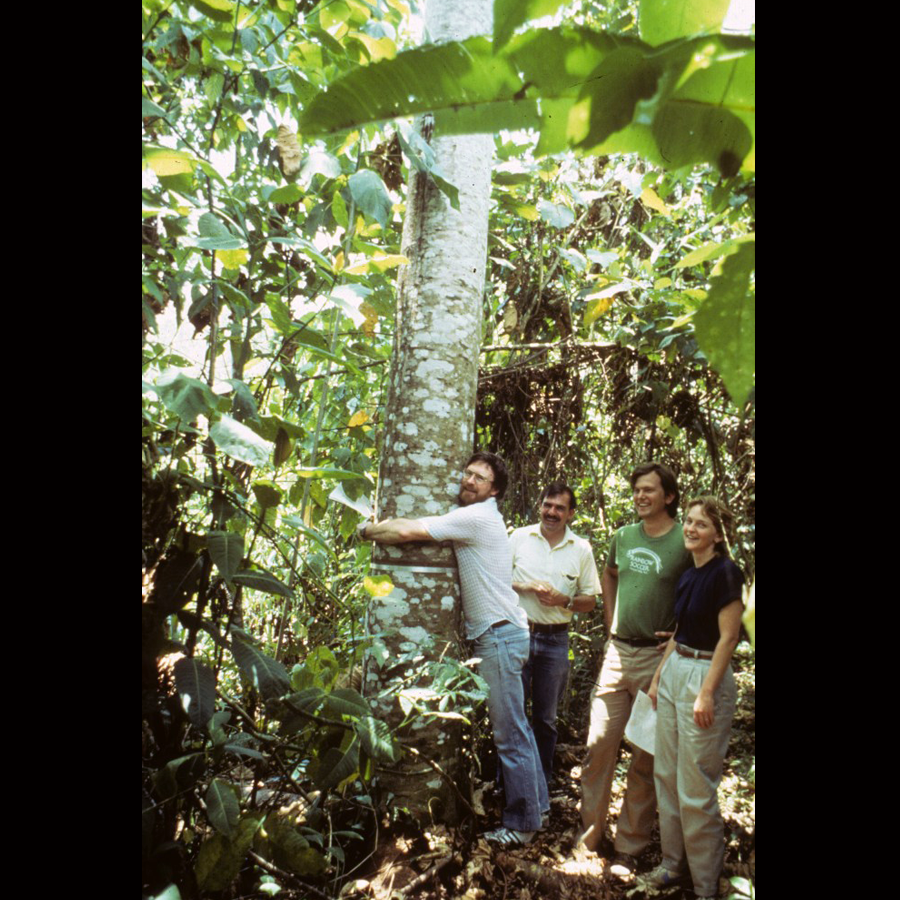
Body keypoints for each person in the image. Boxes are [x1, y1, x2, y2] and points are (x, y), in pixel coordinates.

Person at [360, 451, 547, 847]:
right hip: (504, 633)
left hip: (498, 636)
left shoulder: (477, 517)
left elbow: (407, 531)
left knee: (509, 733)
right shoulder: (483, 516)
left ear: (494, 490)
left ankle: (524, 825)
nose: (469, 481)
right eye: (468, 473)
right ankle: (538, 808)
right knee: (519, 729)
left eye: (480, 478)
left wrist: (367, 531)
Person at [579, 462, 691, 873]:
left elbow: (706, 586)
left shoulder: (685, 539)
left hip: (658, 660)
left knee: (645, 758)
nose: (641, 497)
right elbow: (610, 574)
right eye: (637, 490)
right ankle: (589, 837)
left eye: (649, 490)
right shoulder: (624, 536)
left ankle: (630, 845)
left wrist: (681, 633)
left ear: (669, 496)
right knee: (598, 746)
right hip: (617, 654)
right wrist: (611, 618)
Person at [644, 497, 744, 900]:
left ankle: (705, 886)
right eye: (688, 521)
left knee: (695, 784)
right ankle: (672, 865)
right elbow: (681, 631)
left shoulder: (727, 573)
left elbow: (729, 638)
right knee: (666, 775)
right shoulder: (689, 575)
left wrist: (705, 694)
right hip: (675, 670)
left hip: (706, 676)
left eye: (701, 524)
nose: (690, 528)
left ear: (717, 535)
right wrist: (656, 679)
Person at [510, 482, 600, 791]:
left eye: (560, 508)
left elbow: (590, 600)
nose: (552, 512)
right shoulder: (519, 537)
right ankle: (509, 783)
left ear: (571, 514)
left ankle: (540, 784)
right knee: (513, 715)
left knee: (545, 720)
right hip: (517, 632)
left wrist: (566, 601)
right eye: (548, 505)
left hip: (555, 640)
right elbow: (497, 580)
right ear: (540, 505)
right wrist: (528, 587)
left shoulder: (582, 549)